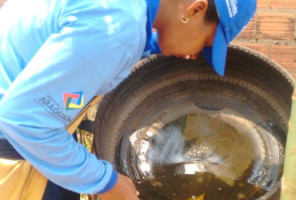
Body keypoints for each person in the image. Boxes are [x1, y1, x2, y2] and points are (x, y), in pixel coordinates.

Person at [0, 0, 256, 199]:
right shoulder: (115, 32)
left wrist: (151, 44)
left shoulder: (124, 13)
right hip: (19, 142)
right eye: (207, 43)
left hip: (36, 128)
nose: (195, 55)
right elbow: (23, 121)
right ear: (196, 9)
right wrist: (104, 182)